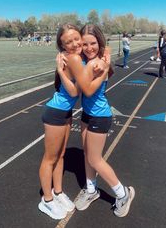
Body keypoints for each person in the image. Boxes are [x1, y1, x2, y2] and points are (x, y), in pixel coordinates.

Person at [59, 24, 135, 218]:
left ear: (99, 42)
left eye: (93, 43)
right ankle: (91, 190)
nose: (88, 47)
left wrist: (102, 67)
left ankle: (123, 194)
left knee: (95, 158)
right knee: (87, 155)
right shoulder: (89, 59)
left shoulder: (98, 62)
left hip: (100, 116)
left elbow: (87, 90)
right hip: (87, 114)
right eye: (85, 44)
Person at [38, 24, 110, 220]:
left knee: (60, 155)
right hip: (55, 113)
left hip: (65, 112)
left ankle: (58, 192)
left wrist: (105, 56)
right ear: (61, 44)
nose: (74, 43)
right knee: (50, 158)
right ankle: (47, 200)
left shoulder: (74, 57)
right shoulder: (75, 58)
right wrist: (61, 73)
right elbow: (75, 91)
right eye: (68, 41)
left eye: (76, 38)